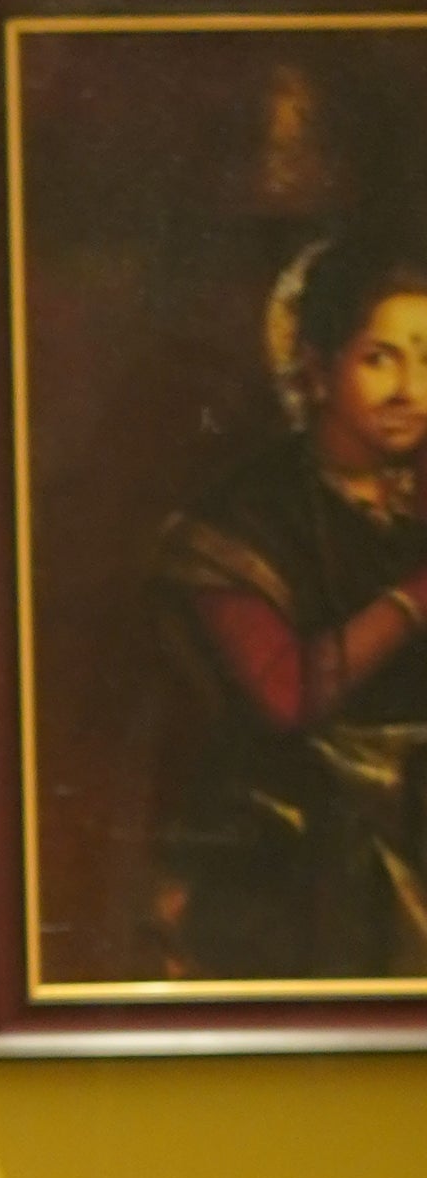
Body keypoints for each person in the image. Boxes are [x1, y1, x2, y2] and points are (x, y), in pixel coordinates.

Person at [153, 222, 427, 977]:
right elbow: (289, 696)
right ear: (315, 368)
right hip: (302, 840)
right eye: (381, 360)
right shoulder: (242, 520)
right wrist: (414, 596)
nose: (412, 391)